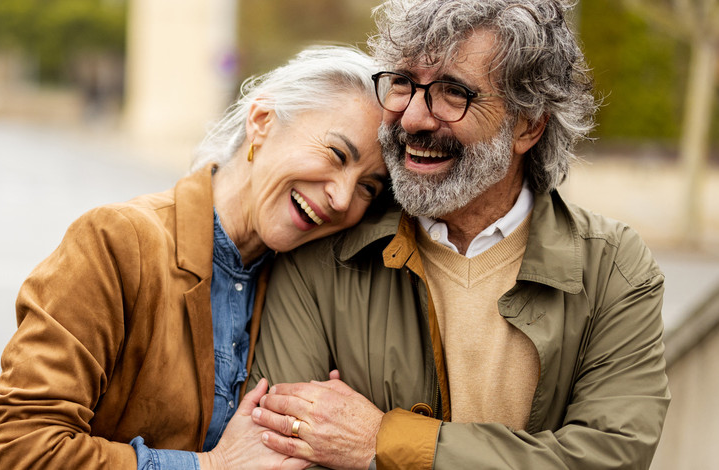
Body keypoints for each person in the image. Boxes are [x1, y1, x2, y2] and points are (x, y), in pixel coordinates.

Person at [247, 1, 670, 469]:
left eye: (453, 92)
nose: (413, 118)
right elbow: (278, 450)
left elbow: (612, 457)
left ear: (528, 125)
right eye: (403, 83)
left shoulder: (612, 268)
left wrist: (382, 443)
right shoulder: (325, 246)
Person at [0, 46, 390, 469]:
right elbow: (19, 450)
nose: (343, 198)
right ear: (261, 121)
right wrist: (209, 466)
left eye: (368, 187)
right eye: (337, 155)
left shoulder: (306, 286)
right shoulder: (117, 242)